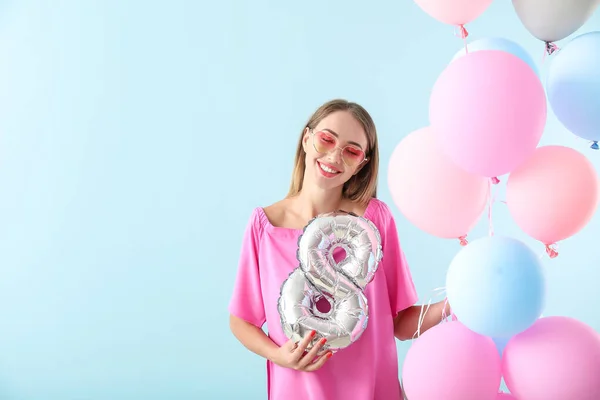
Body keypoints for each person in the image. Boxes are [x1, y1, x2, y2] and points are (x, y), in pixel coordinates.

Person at [228, 99, 449, 400]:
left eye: (351, 150)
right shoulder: (265, 226)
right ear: (307, 139)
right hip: (297, 391)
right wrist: (278, 355)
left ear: (363, 163)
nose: (334, 156)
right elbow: (241, 320)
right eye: (327, 139)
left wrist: (456, 303)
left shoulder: (374, 221)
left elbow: (401, 324)